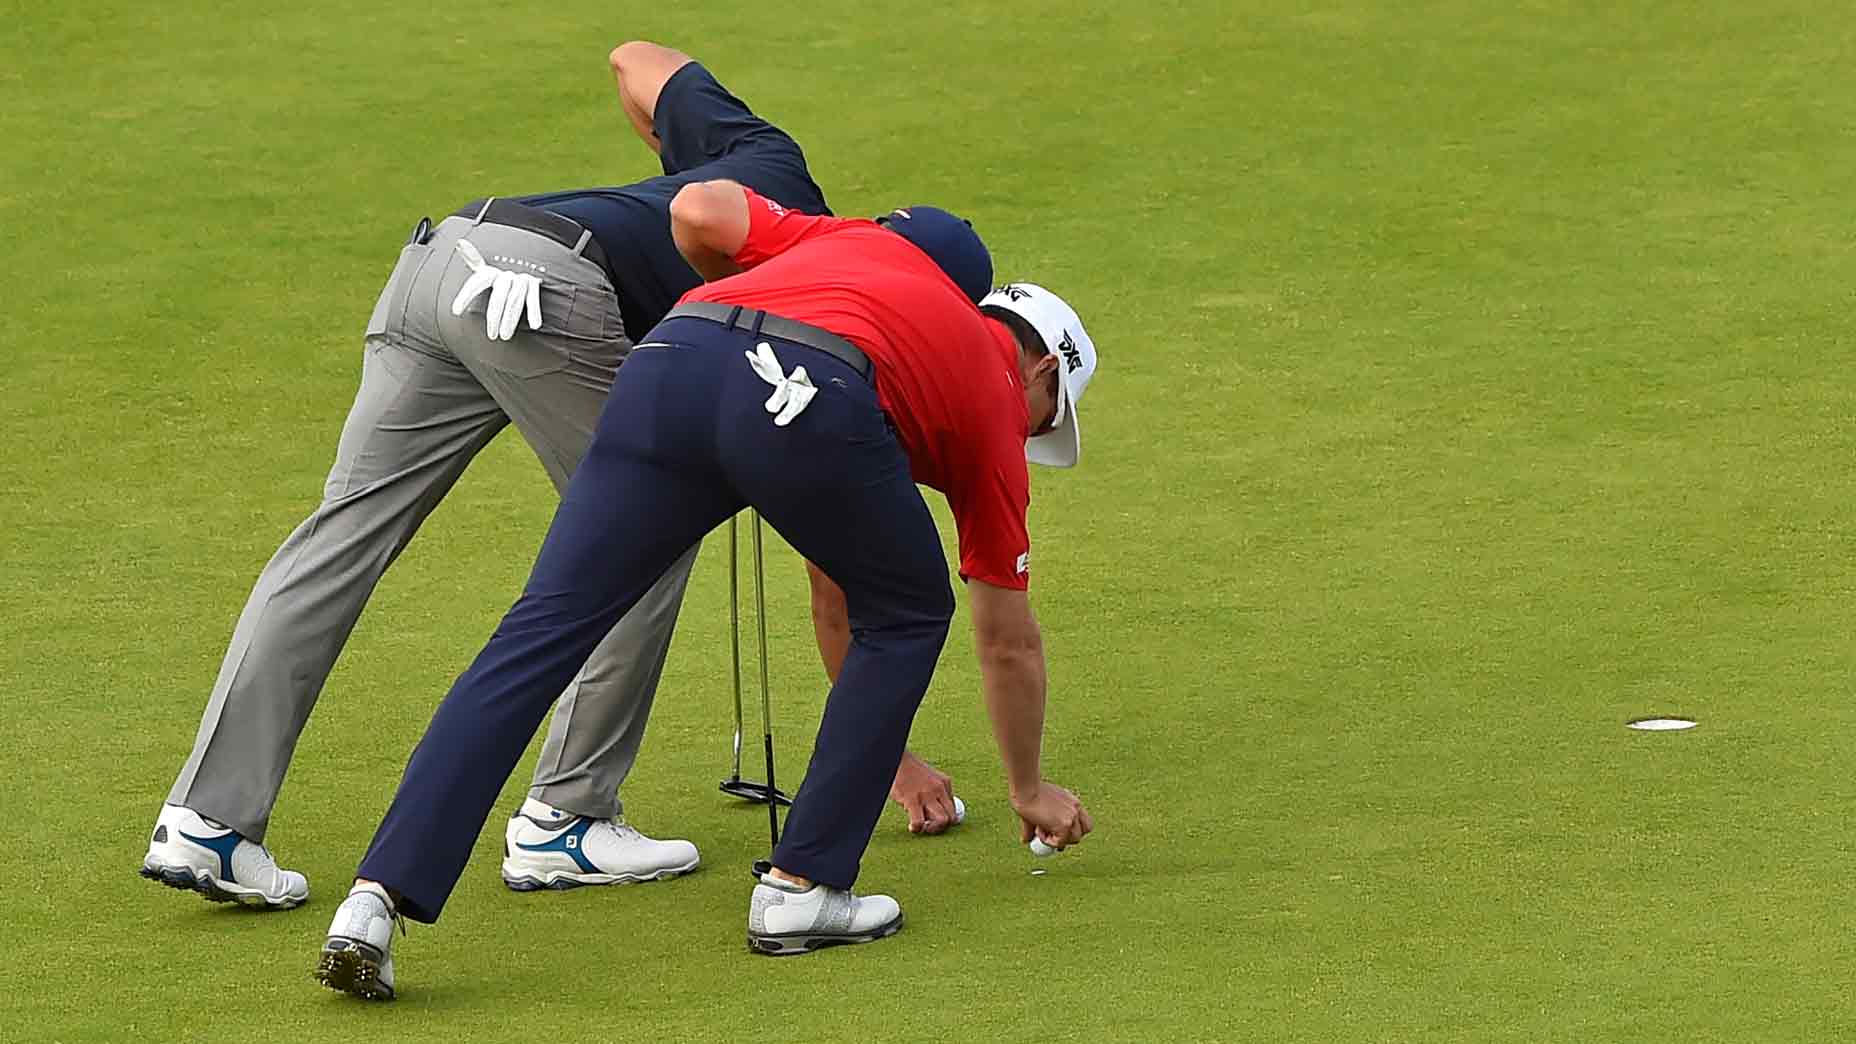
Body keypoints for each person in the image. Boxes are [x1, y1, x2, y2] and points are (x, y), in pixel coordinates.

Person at [140, 41, 964, 913]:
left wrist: (666, 150)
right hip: (549, 293)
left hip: (441, 261)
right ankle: (565, 819)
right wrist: (892, 756)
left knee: (338, 539)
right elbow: (837, 562)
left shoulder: (758, 158)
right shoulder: (829, 277)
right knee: (643, 534)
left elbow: (637, 61)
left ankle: (209, 821)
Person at [312, 175, 1098, 999]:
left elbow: (703, 210)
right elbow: (1005, 638)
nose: (1034, 429)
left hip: (671, 361)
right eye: (1050, 414)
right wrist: (1028, 788)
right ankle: (802, 888)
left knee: (540, 629)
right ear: (1040, 368)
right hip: (810, 392)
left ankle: (374, 899)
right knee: (913, 611)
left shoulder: (844, 246)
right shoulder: (993, 392)